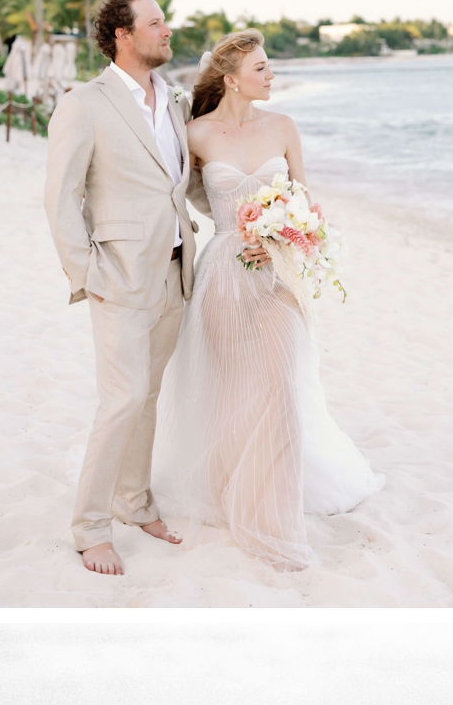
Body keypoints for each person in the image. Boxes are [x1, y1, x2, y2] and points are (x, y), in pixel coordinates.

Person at [155, 29, 382, 570]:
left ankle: (273, 519)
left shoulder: (283, 126)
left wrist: (283, 235)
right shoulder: (195, 135)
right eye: (261, 68)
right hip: (223, 276)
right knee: (235, 389)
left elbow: (307, 202)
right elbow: (182, 199)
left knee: (279, 384)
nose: (271, 75)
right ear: (231, 78)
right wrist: (238, 230)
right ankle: (235, 487)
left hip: (278, 277)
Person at [43, 0, 203, 576]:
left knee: (149, 397)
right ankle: (90, 527)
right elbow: (61, 199)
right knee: (123, 400)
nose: (168, 31)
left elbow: (183, 187)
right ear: (123, 34)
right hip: (120, 278)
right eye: (156, 22)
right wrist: (88, 274)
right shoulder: (84, 103)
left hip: (175, 274)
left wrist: (259, 219)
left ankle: (134, 502)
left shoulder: (177, 103)